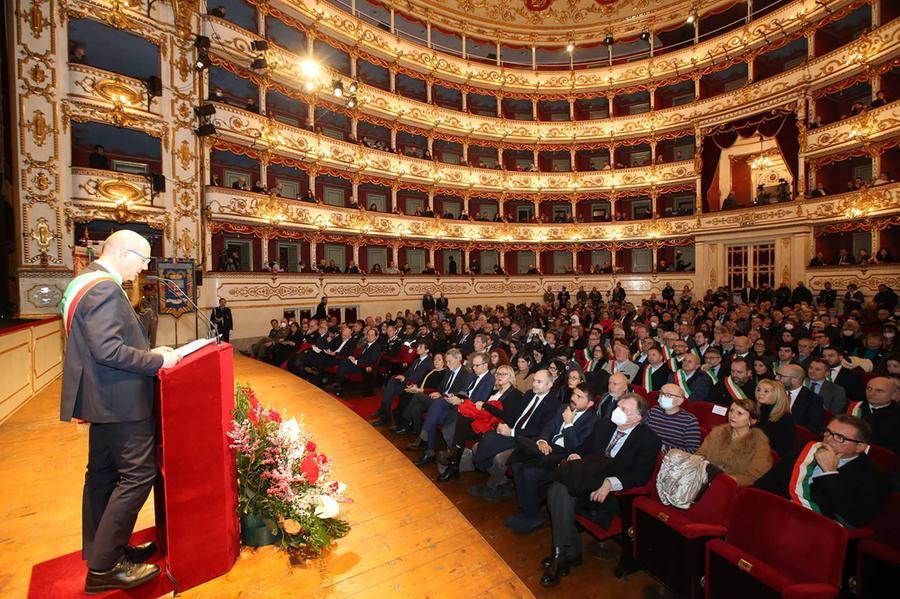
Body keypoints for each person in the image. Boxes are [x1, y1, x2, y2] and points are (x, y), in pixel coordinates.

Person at [60, 230, 181, 593]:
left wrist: (145, 348)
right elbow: (108, 351)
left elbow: (102, 345)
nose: (142, 270)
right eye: (142, 261)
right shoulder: (104, 288)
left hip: (103, 398)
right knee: (137, 475)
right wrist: (158, 358)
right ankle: (103, 568)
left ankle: (106, 548)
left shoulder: (82, 282)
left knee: (102, 476)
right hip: (120, 399)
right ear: (124, 254)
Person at [542, 394, 661, 586]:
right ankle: (562, 553)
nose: (617, 411)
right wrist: (575, 454)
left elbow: (639, 477)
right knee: (558, 489)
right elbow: (585, 448)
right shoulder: (605, 425)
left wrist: (609, 483)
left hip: (612, 492)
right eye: (618, 406)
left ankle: (564, 553)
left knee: (558, 489)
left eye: (624, 410)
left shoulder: (649, 440)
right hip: (586, 478)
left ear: (637, 418)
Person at [754, 415, 890, 528]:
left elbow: (855, 518)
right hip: (776, 511)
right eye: (828, 432)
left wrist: (830, 473)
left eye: (839, 437)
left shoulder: (873, 476)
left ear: (860, 447)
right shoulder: (805, 448)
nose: (828, 439)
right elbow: (769, 481)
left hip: (814, 527)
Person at [506, 382, 598, 534]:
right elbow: (549, 427)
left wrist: (568, 423)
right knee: (516, 464)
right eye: (574, 394)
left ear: (590, 403)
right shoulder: (563, 407)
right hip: (548, 448)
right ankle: (525, 511)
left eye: (579, 397)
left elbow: (575, 448)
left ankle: (533, 517)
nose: (573, 398)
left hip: (564, 456)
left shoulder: (592, 421)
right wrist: (542, 440)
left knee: (530, 472)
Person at [469, 369, 558, 502]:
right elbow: (515, 416)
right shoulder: (529, 394)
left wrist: (512, 432)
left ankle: (492, 486)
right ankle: (503, 482)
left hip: (526, 440)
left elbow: (540, 430)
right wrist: (503, 426)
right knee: (477, 446)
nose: (534, 384)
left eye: (539, 382)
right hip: (511, 431)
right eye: (534, 380)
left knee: (499, 459)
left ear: (549, 385)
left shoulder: (553, 404)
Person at [437, 364, 523, 482]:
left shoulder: (515, 394)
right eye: (498, 373)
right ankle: (454, 463)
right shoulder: (495, 392)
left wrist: (485, 405)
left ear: (511, 376)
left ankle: (453, 462)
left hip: (494, 426)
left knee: (461, 424)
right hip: (482, 421)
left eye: (504, 374)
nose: (500, 376)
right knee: (462, 421)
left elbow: (505, 416)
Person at [696, 397, 773, 487]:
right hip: (703, 478)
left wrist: (722, 481)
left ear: (752, 420)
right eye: (731, 411)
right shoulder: (717, 433)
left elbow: (753, 477)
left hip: (731, 487)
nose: (732, 415)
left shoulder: (759, 444)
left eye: (739, 413)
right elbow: (700, 455)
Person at [849, 376, 900, 454]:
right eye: (869, 388)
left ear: (893, 394)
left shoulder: (897, 415)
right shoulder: (854, 407)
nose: (872, 393)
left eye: (879, 391)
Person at [646, 383, 702, 453]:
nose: (662, 397)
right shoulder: (653, 411)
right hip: (645, 450)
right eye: (661, 393)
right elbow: (640, 431)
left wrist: (663, 448)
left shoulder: (690, 421)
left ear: (679, 401)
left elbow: (693, 450)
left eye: (667, 395)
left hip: (669, 458)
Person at [754, 379, 796, 455]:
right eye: (758, 390)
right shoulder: (760, 410)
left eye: (766, 391)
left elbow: (781, 448)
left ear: (777, 395)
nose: (760, 393)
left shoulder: (785, 417)